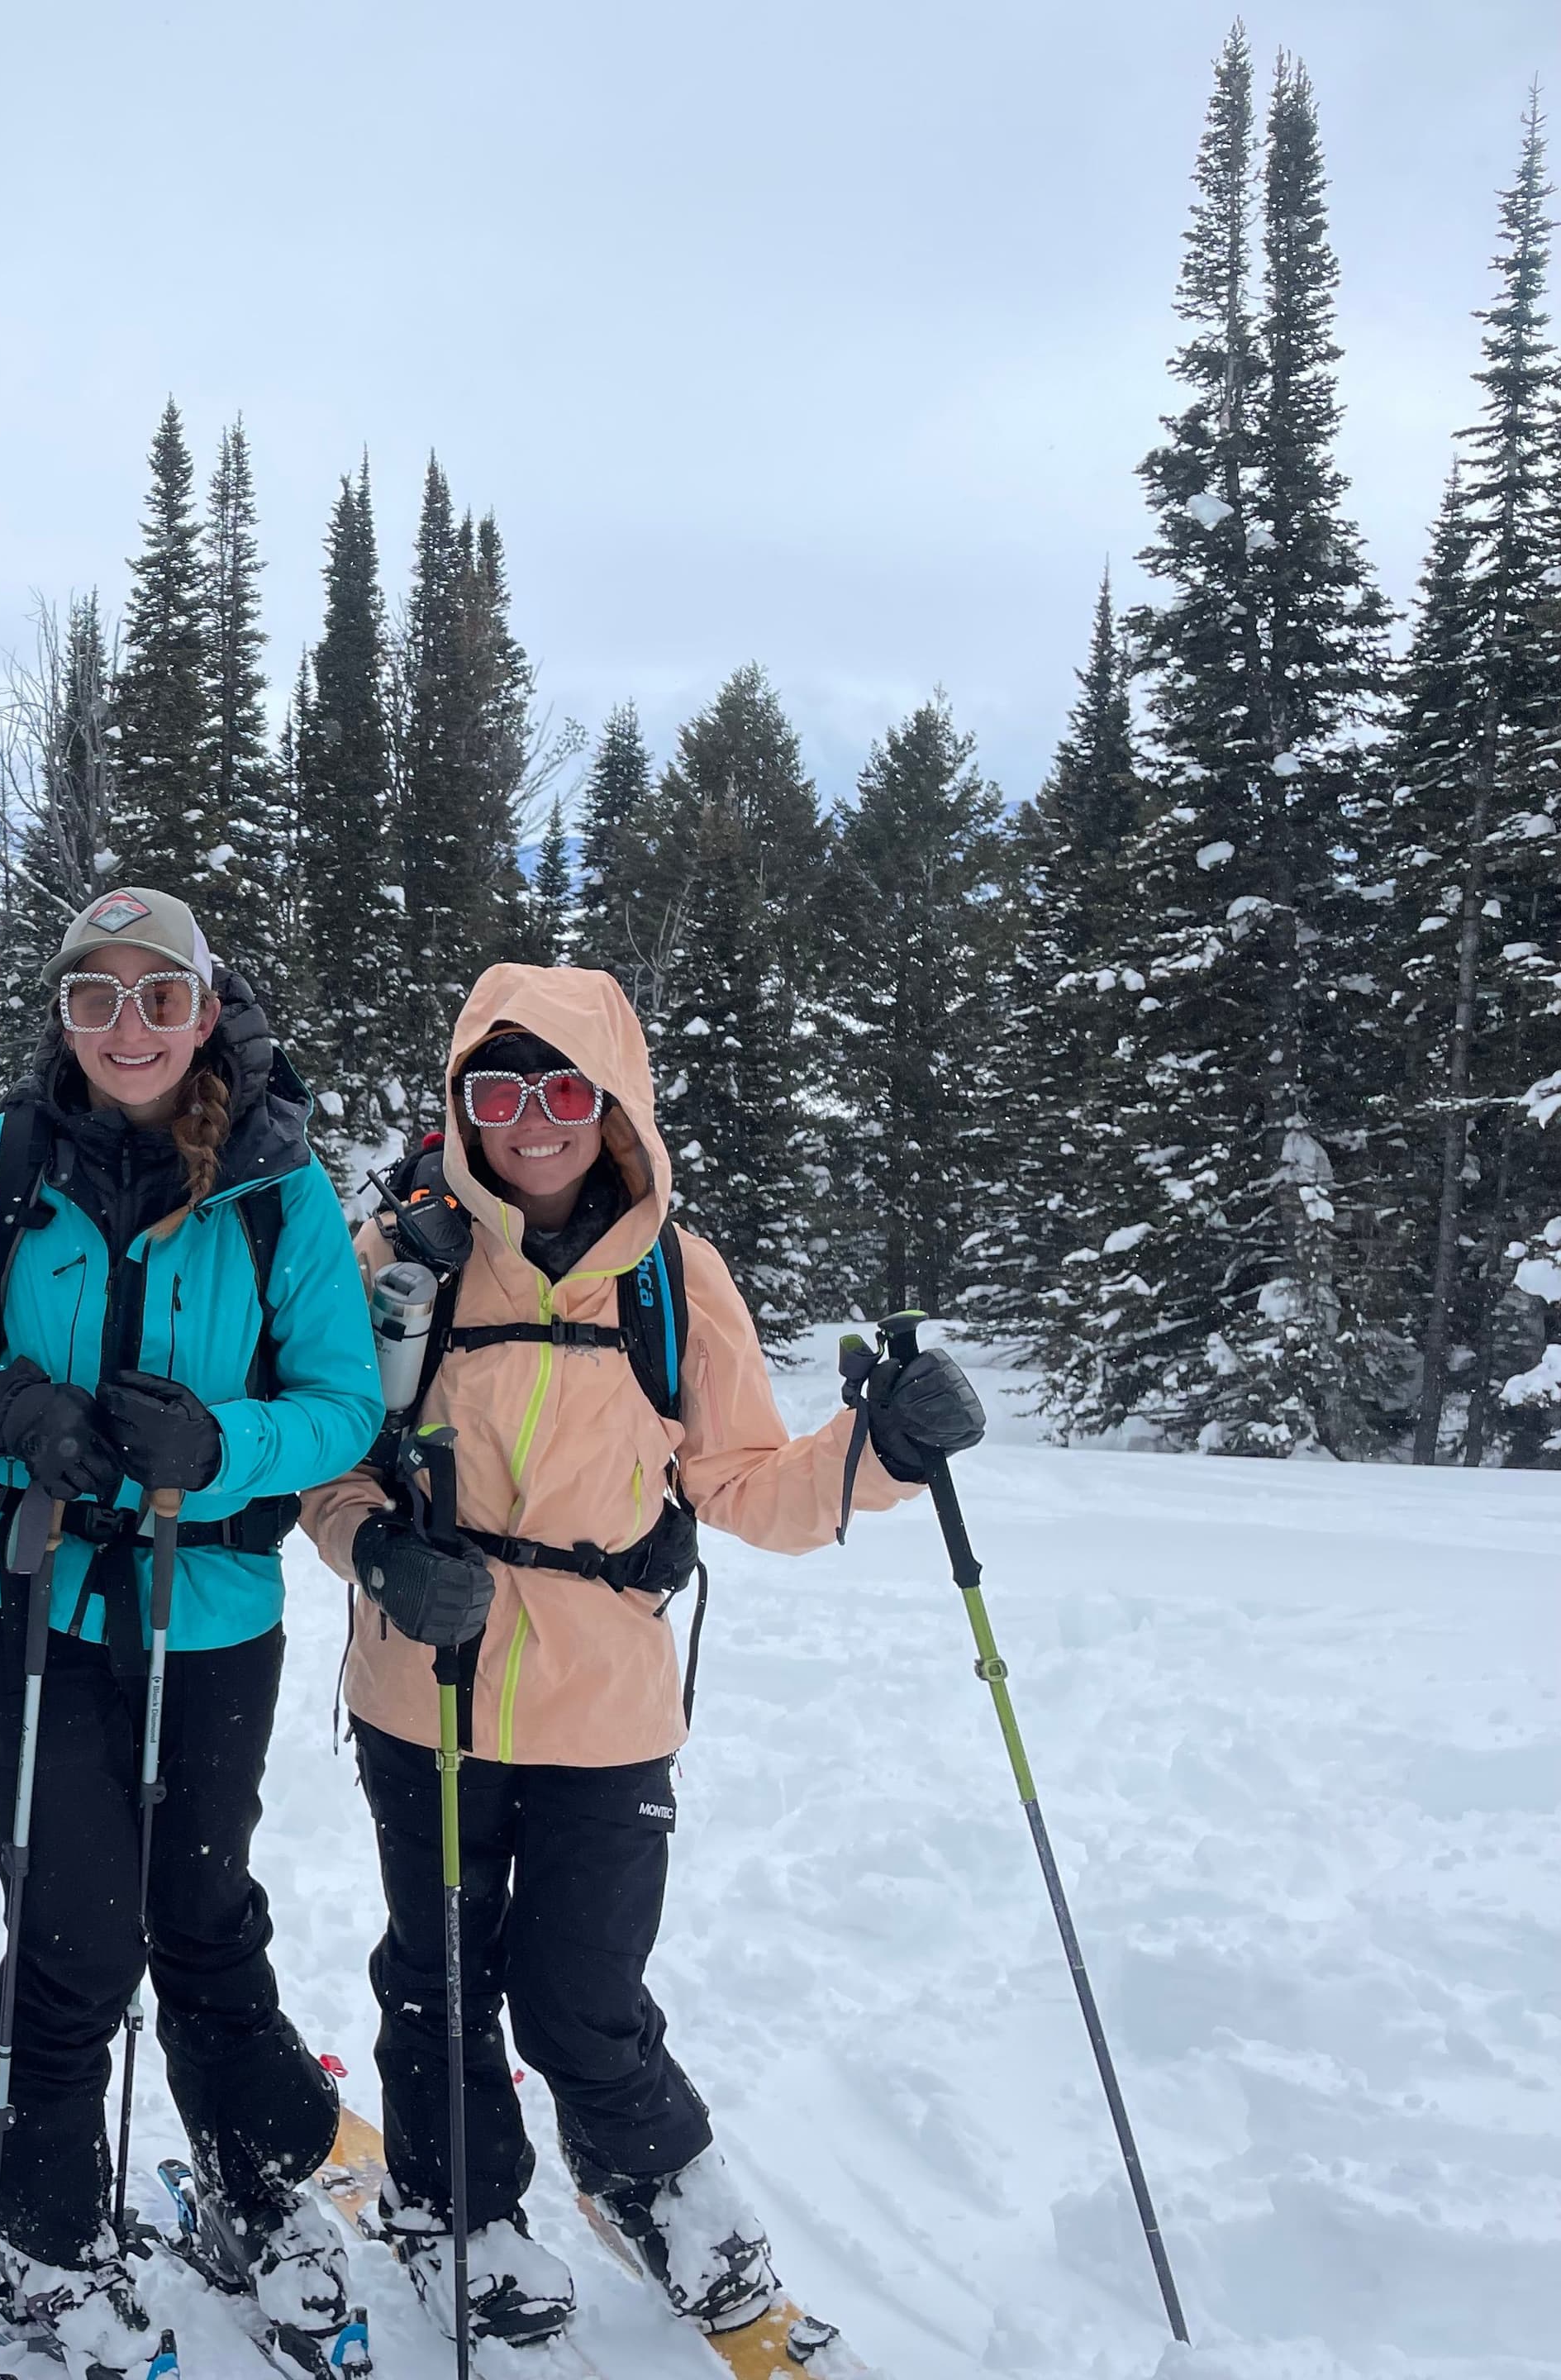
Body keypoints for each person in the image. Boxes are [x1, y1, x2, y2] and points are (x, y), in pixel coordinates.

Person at [300, 963, 986, 2372]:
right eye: (500, 1090)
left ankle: (659, 2191)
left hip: (607, 1703)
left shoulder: (675, 1274)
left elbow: (747, 1482)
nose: (533, 1121)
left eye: (565, 1089)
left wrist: (888, 1450)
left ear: (614, 1105)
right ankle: (453, 2208)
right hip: (423, 1687)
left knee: (585, 1995)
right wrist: (377, 1553)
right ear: (462, 1103)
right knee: (436, 1972)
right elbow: (329, 1461)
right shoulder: (399, 1254)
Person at [0, 886, 385, 2378]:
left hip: (214, 1610)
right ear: (61, 1014)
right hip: (31, 1596)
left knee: (200, 1909)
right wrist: (5, 1410)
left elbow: (343, 1405)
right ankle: (39, 2219)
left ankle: (256, 2181)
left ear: (206, 1010)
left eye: (159, 996)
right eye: (94, 996)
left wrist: (224, 1446)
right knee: (75, 1922)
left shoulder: (279, 1188)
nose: (126, 1027)